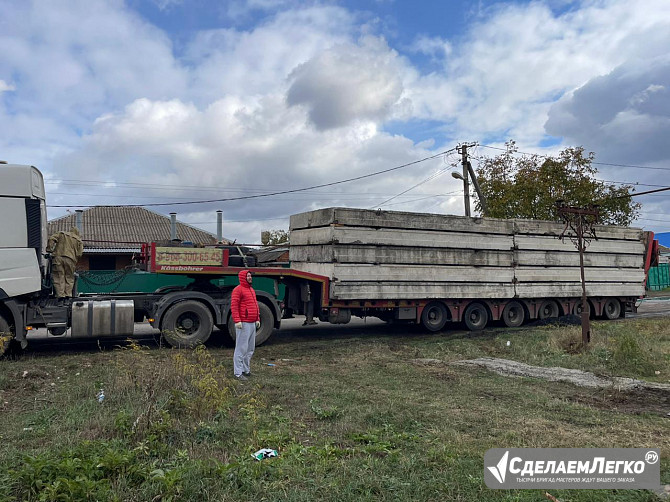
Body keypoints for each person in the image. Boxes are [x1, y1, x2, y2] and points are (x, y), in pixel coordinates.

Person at [230, 269, 260, 380]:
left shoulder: (251, 290)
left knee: (250, 348)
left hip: (252, 323)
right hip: (244, 323)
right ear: (243, 277)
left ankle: (246, 370)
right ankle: (237, 373)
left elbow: (255, 306)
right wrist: (237, 320)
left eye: (250, 276)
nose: (250, 277)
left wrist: (257, 318)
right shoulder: (238, 290)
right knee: (241, 348)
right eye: (248, 276)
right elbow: (234, 306)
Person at [47, 227, 84, 299]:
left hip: (58, 257)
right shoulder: (78, 240)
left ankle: (60, 296)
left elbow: (51, 238)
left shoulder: (61, 234)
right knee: (69, 277)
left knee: (59, 276)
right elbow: (80, 253)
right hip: (71, 260)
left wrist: (49, 249)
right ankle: (68, 295)